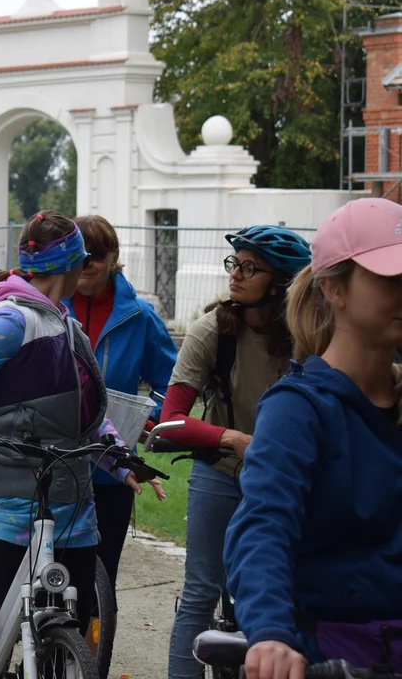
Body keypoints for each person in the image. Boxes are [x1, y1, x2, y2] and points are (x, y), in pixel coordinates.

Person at [0, 211, 150, 679]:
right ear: (76, 264)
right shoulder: (11, 320)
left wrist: (123, 463)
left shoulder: (66, 323)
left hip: (72, 506)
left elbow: (83, 419)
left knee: (69, 634)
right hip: (6, 502)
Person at [225, 198, 402, 679]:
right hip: (334, 656)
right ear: (333, 289)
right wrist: (271, 636)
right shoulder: (298, 409)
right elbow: (263, 525)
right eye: (390, 278)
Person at [162, 225, 312, 679]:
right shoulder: (213, 330)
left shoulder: (307, 336)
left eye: (250, 267)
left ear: (282, 283)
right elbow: (171, 419)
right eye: (235, 264)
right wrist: (231, 439)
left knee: (278, 595)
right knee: (199, 592)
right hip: (222, 473)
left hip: (286, 477)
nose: (236, 275)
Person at [63, 214, 175, 624]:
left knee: (100, 575)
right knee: (50, 571)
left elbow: (172, 380)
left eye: (97, 255)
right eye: (80, 254)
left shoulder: (140, 316)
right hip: (55, 458)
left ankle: (91, 652)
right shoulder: (51, 305)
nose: (88, 263)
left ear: (115, 258)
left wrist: (152, 421)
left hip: (113, 467)